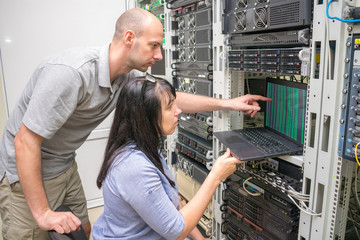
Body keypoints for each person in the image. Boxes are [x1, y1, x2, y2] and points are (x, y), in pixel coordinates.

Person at [0, 7, 270, 240]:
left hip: (64, 164)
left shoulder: (123, 77)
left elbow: (169, 99)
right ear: (129, 38)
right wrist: (43, 213)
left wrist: (230, 103)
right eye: (154, 45)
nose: (159, 55)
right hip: (26, 172)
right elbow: (25, 141)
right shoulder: (71, 74)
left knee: (82, 228)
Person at [92, 74, 242, 240]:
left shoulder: (145, 147)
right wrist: (215, 176)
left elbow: (169, 208)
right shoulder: (134, 167)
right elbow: (176, 231)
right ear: (146, 116)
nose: (178, 111)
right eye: (170, 107)